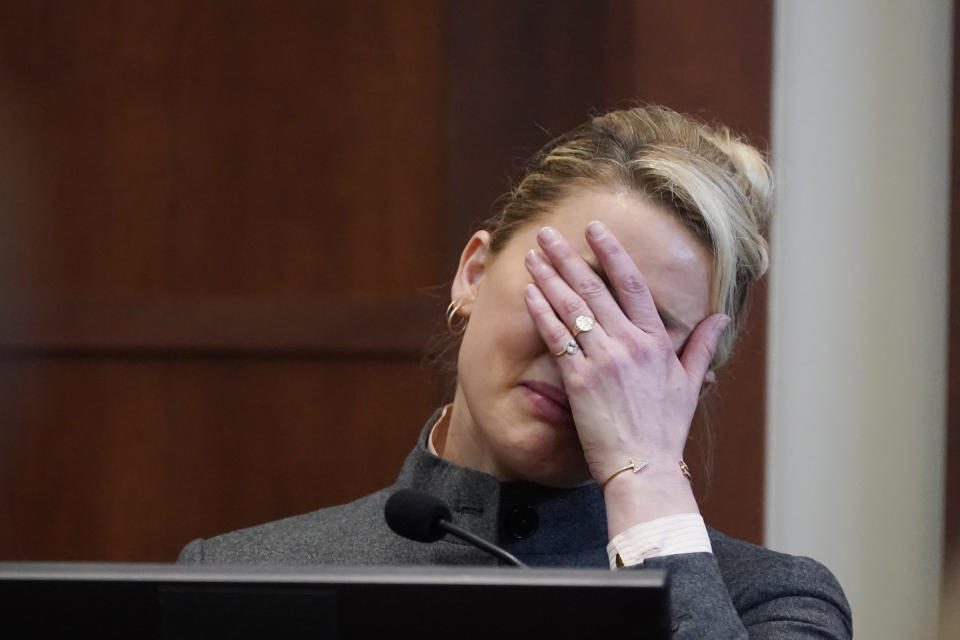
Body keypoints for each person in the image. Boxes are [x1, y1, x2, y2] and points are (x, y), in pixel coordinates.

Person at [179, 106, 852, 638]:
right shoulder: (240, 580)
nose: (582, 355)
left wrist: (645, 478)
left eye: (642, 333)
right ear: (474, 275)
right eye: (570, 294)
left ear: (691, 378)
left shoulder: (771, 603)